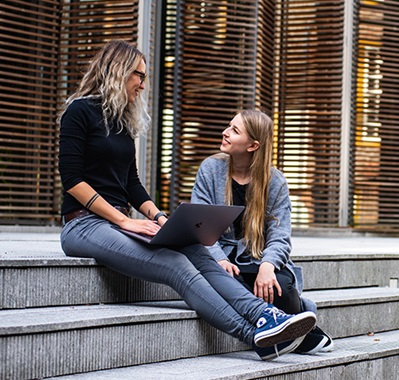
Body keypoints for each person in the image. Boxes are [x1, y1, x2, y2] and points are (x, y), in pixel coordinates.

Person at [57, 40, 316, 361]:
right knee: (176, 264)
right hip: (83, 225)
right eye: (138, 75)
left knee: (194, 248)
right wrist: (124, 220)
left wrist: (163, 220)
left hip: (119, 224)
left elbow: (133, 185)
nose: (143, 83)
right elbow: (72, 181)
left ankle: (264, 315)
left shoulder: (122, 123)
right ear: (117, 71)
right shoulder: (78, 111)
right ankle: (254, 336)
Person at [190, 109, 334, 359]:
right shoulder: (210, 169)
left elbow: (280, 235)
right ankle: (304, 335)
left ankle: (290, 329)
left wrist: (268, 266)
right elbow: (199, 224)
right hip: (222, 257)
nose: (225, 132)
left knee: (282, 287)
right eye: (228, 125)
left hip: (257, 258)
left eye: (234, 131)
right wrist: (219, 259)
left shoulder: (274, 181)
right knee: (229, 283)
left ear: (253, 145)